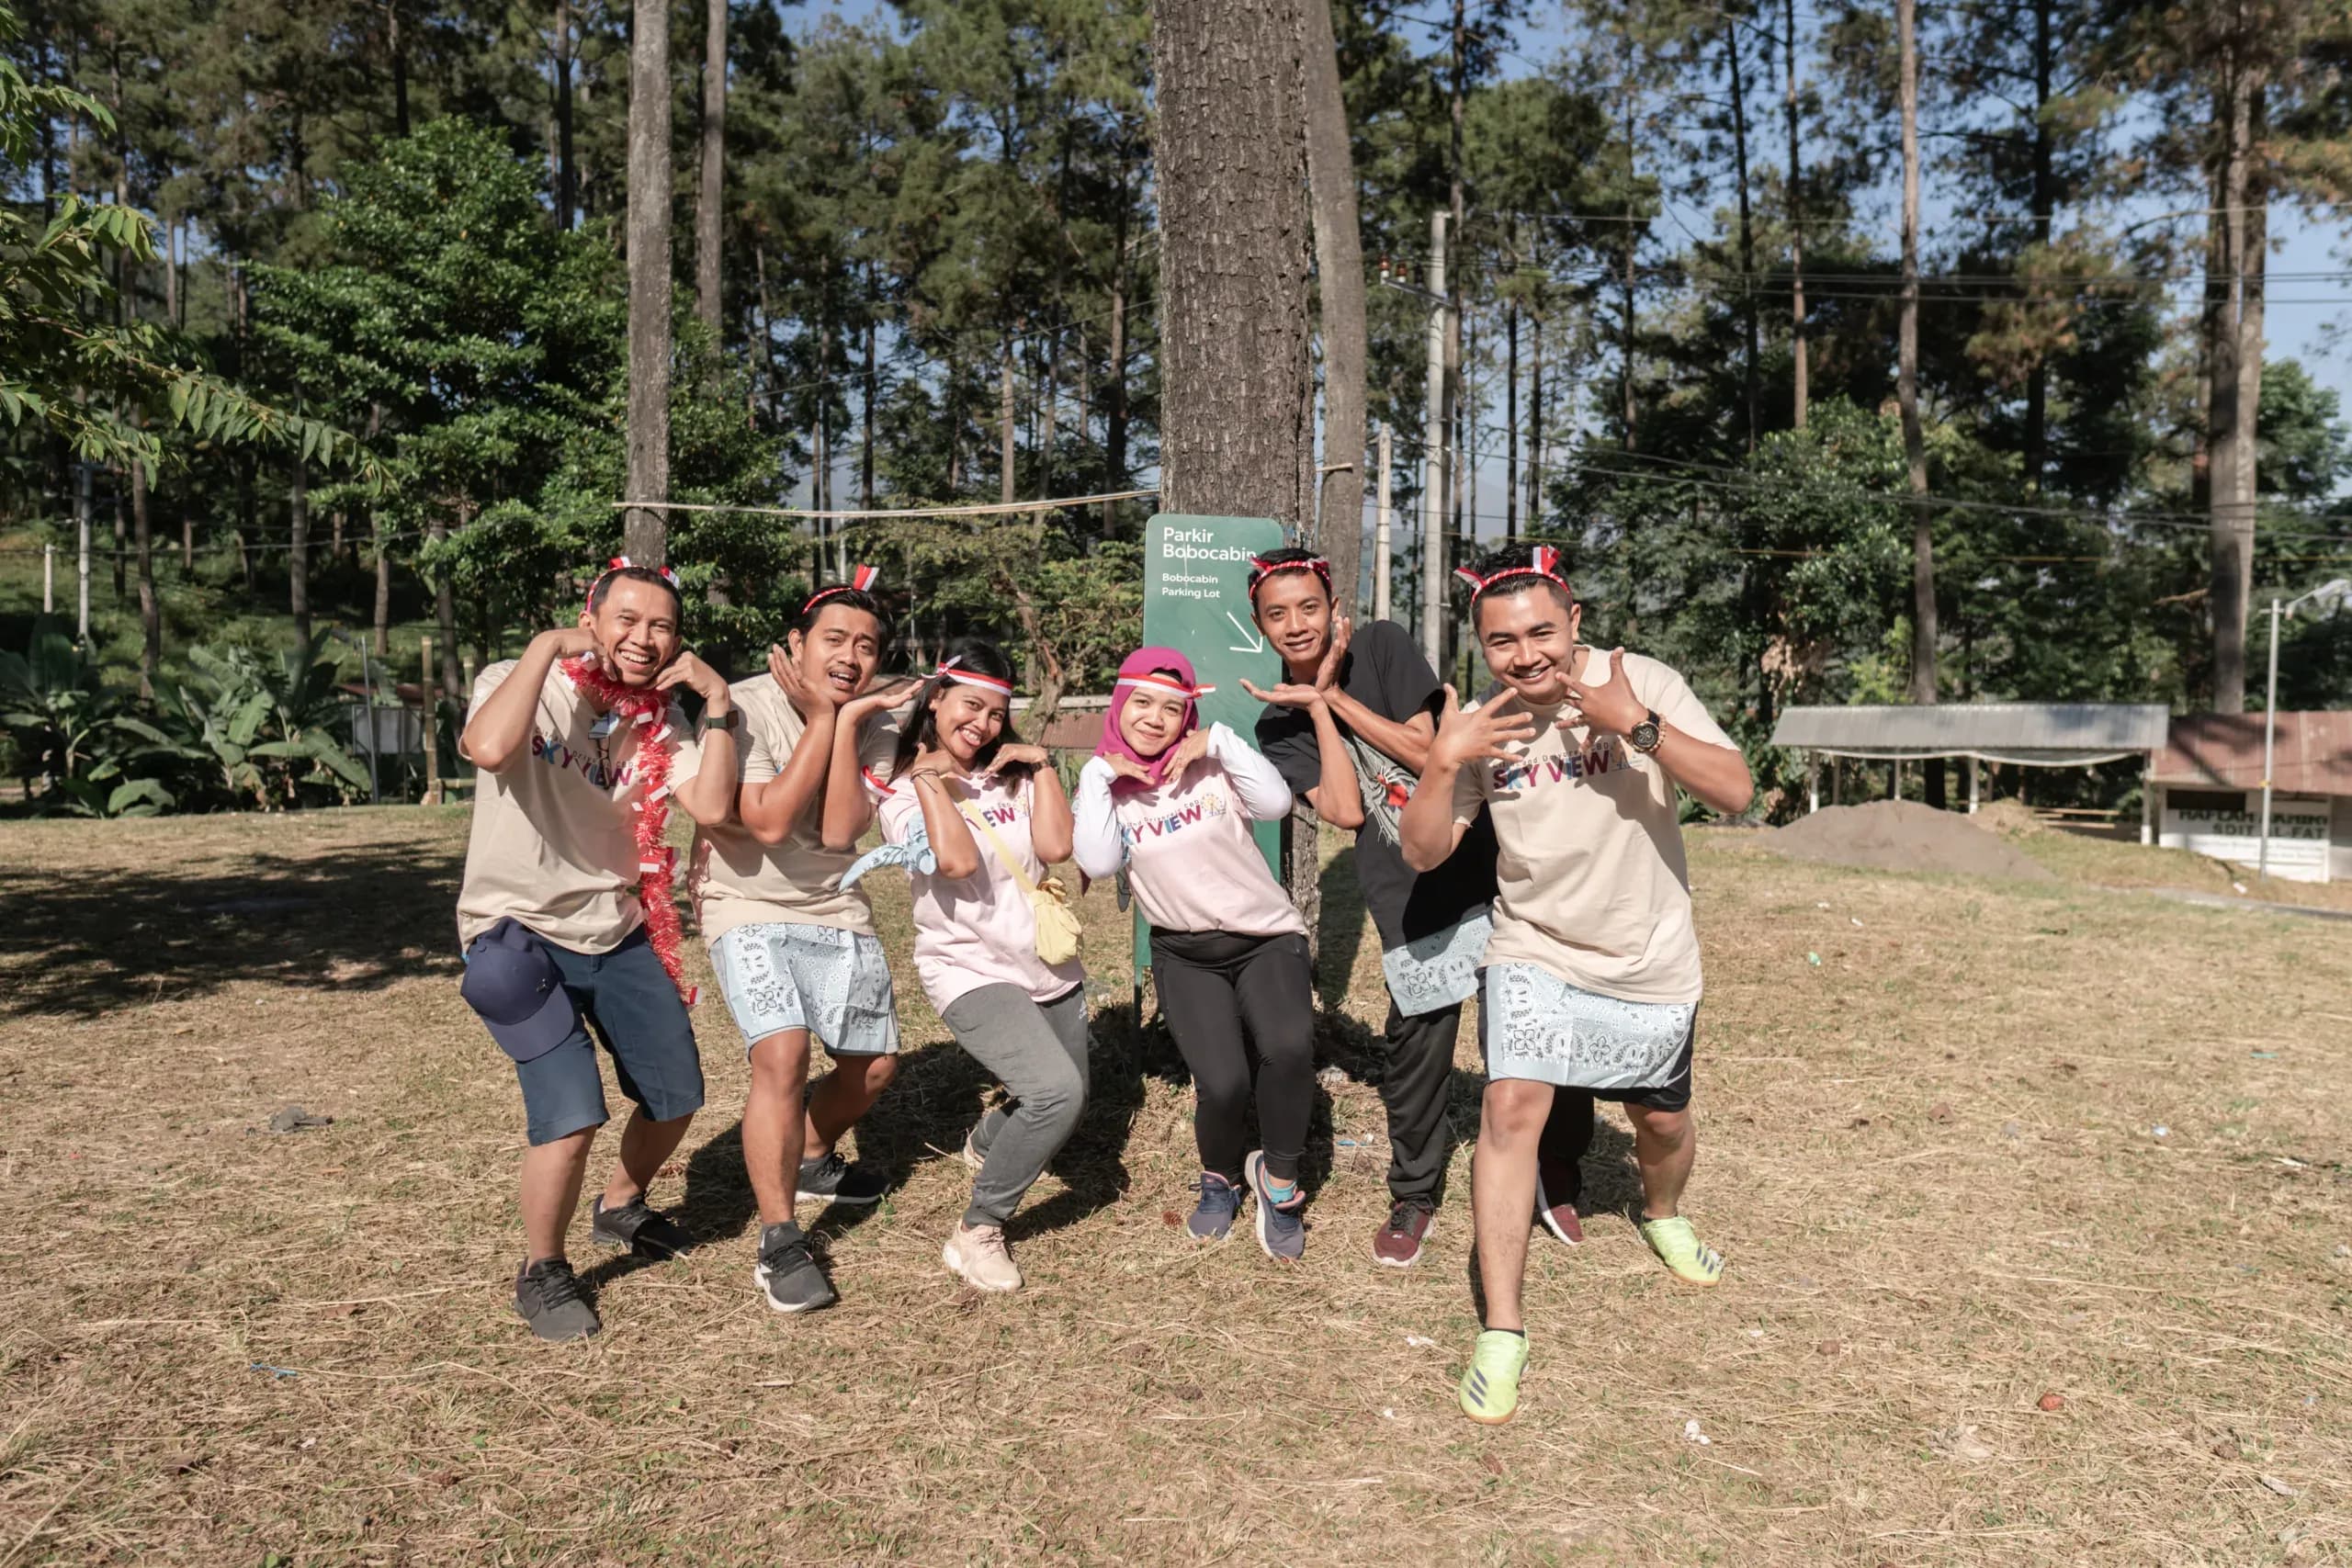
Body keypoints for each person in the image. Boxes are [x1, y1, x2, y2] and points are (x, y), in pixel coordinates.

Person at [1398, 544, 1754, 1424]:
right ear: (1483, 645)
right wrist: (1445, 762)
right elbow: (1423, 853)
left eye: (1541, 632)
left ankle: (1662, 1210)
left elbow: (1738, 791)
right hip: (1536, 948)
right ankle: (1504, 1328)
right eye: (1502, 641)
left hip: (1648, 953)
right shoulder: (1487, 724)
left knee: (1661, 1121)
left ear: (1575, 623)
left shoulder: (1642, 681)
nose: (1526, 655)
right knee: (1510, 1105)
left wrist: (1636, 725)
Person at [1243, 548, 1594, 1269]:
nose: (1296, 624)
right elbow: (1344, 809)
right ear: (1261, 626)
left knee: (1535, 1020)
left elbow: (1433, 747)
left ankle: (1554, 1168)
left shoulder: (1379, 645)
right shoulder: (1277, 725)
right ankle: (1415, 1192)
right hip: (1402, 884)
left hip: (1485, 861)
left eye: (1308, 606)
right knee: (1418, 1048)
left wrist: (1335, 697)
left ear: (1332, 605)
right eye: (1277, 614)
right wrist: (1311, 706)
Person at [456, 558, 741, 1341]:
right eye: (626, 619)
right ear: (593, 616)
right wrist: (549, 646)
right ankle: (542, 1269)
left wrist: (715, 701)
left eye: (662, 626)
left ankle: (618, 1204)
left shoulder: (664, 721)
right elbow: (485, 747)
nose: (644, 638)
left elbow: (712, 804)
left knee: (677, 1093)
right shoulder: (522, 679)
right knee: (572, 1110)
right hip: (514, 933)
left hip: (616, 930)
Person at [688, 570, 913, 1314]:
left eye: (868, 646)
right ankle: (780, 1237)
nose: (852, 656)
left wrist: (844, 723)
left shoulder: (874, 719)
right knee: (780, 1053)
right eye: (835, 640)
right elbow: (772, 821)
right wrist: (823, 720)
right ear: (796, 644)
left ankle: (810, 1151)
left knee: (873, 1067)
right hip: (743, 899)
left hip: (833, 902)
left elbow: (844, 829)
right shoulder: (746, 704)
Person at [1072, 648, 1338, 1260]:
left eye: (1173, 707)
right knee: (1222, 1083)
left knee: (1290, 1048)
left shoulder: (1214, 765)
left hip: (1265, 937)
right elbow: (1099, 861)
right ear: (1119, 704)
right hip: (1186, 952)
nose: (1155, 718)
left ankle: (1279, 1180)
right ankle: (1220, 1176)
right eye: (1141, 702)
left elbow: (1273, 804)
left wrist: (1217, 738)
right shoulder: (1108, 790)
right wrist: (1097, 775)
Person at [873, 637, 1088, 1293]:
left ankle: (987, 1141)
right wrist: (933, 778)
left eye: (997, 712)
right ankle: (978, 1229)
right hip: (967, 966)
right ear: (937, 700)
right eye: (970, 706)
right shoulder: (901, 793)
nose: (984, 724)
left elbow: (1055, 845)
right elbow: (957, 862)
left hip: (1045, 960)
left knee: (1064, 1098)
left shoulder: (1013, 771)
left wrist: (1041, 764)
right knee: (1057, 1093)